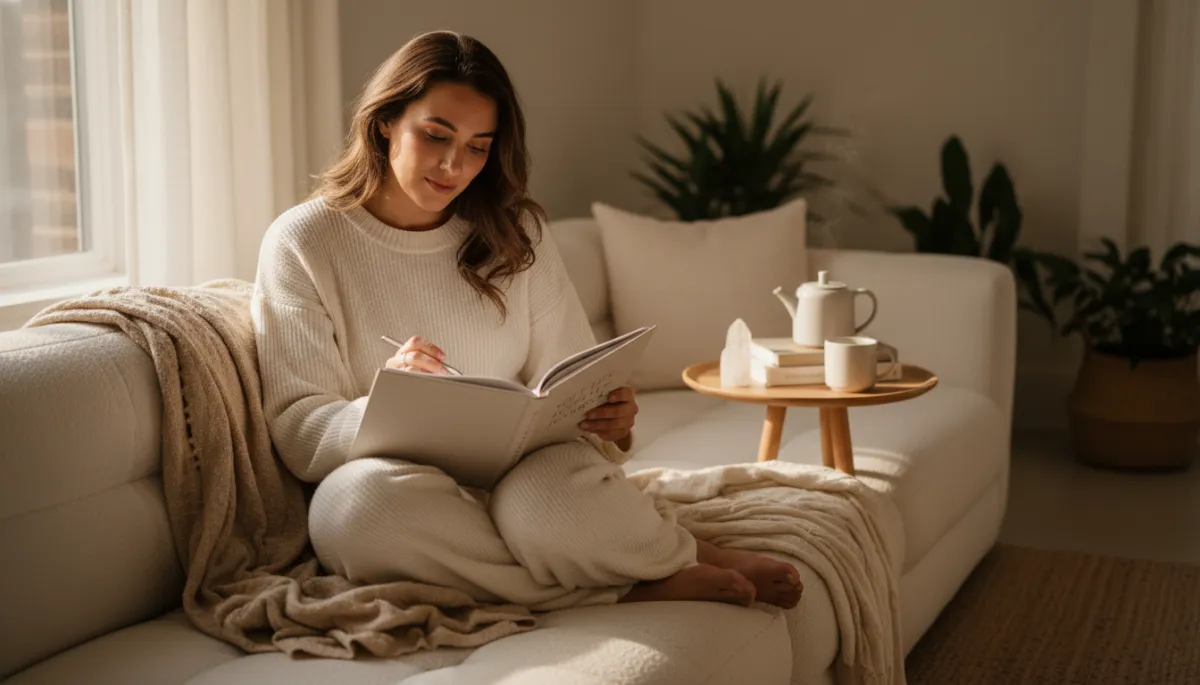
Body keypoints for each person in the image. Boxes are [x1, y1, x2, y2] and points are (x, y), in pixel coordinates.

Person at [251, 30, 801, 611]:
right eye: (435, 135)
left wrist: (610, 418)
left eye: (477, 147)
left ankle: (608, 558)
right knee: (351, 512)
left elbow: (570, 379)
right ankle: (640, 575)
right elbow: (298, 427)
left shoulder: (516, 232)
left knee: (546, 502)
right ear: (385, 120)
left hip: (529, 477)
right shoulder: (305, 241)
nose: (452, 165)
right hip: (400, 487)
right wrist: (386, 399)